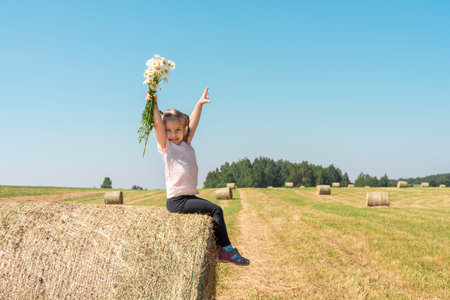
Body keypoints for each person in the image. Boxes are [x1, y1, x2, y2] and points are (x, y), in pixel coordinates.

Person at [146, 87, 250, 266]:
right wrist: (154, 105)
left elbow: (193, 122)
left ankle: (222, 248)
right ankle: (226, 250)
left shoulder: (186, 143)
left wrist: (199, 104)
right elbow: (157, 125)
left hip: (188, 197)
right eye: (168, 131)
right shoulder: (167, 148)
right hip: (177, 200)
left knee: (212, 212)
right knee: (216, 210)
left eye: (178, 130)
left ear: (184, 129)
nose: (173, 135)